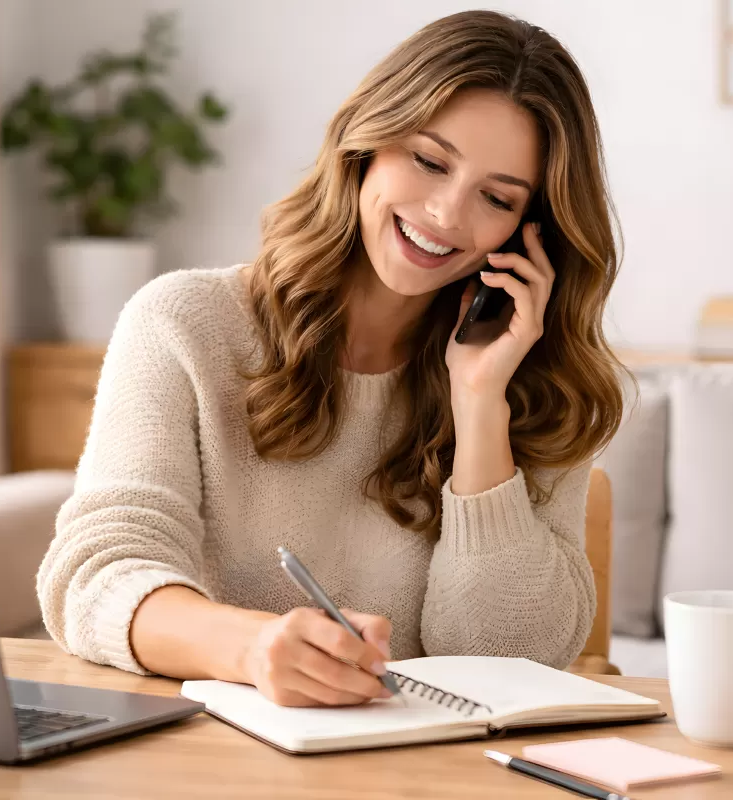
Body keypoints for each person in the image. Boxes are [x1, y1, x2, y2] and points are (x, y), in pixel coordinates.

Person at [37, 9, 627, 709]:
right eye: (429, 161)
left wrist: (479, 404)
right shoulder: (183, 326)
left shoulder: (539, 383)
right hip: (214, 761)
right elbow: (97, 576)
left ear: (531, 232)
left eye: (495, 198)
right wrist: (253, 651)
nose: (444, 213)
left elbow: (507, 660)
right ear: (366, 143)